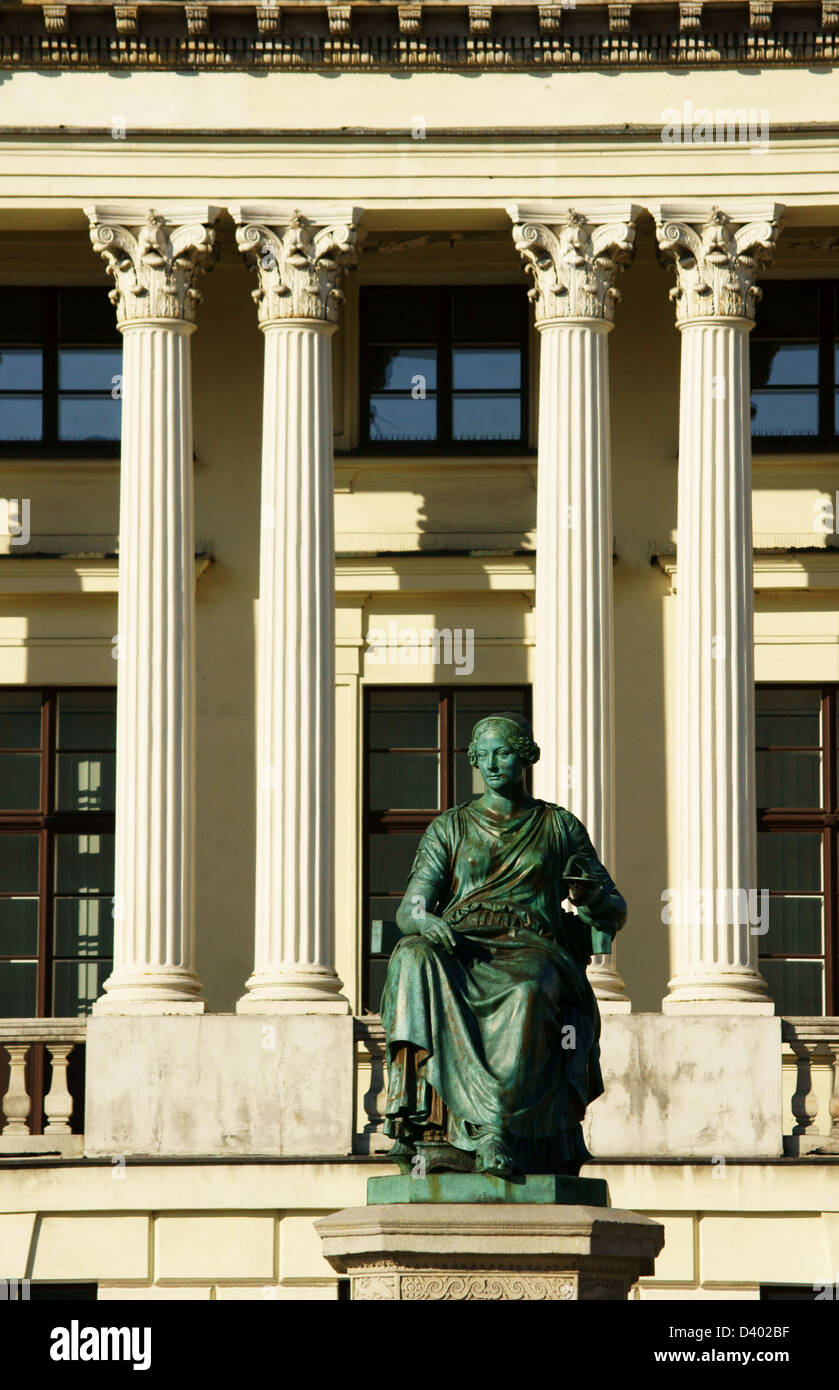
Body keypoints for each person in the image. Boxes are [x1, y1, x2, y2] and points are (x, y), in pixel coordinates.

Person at [380, 711, 626, 1178]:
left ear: (526, 757)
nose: (493, 764)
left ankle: (497, 1130)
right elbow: (410, 907)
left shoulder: (558, 826)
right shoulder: (448, 828)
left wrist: (592, 897)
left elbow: (614, 906)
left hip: (533, 945)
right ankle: (426, 1124)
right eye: (483, 755)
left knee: (527, 989)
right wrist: (424, 921)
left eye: (504, 752)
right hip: (460, 943)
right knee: (411, 956)